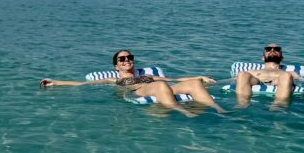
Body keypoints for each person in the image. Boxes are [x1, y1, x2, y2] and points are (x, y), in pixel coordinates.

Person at [40, 50, 225, 115]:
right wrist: (56, 82)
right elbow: (81, 84)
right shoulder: (114, 79)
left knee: (194, 84)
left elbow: (174, 80)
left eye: (129, 58)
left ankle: (219, 109)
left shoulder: (147, 75)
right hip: (138, 92)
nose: (127, 60)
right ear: (116, 66)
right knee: (160, 86)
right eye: (122, 59)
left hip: (157, 86)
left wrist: (199, 77)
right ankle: (184, 112)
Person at [235, 43, 304, 106]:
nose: (272, 50)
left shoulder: (288, 73)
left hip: (280, 82)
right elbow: (235, 79)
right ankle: (242, 107)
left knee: (286, 76)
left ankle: (277, 108)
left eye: (276, 49)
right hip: (257, 79)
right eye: (268, 49)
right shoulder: (252, 72)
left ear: (281, 57)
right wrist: (218, 82)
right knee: (242, 74)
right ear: (263, 58)